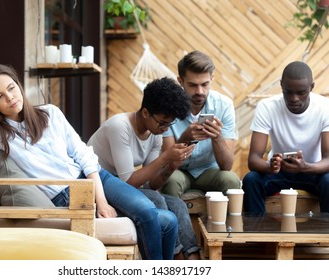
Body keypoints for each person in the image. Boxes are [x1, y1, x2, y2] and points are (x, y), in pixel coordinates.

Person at [0, 62, 179, 260]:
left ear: (19, 85)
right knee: (163, 220)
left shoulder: (50, 113)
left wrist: (102, 202)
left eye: (12, 88)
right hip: (67, 194)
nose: (11, 98)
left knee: (160, 216)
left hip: (96, 179)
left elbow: (84, 155)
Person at [88, 77, 201, 260]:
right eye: (162, 122)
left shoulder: (154, 132)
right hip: (100, 187)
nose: (165, 129)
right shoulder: (120, 127)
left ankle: (191, 256)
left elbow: (149, 185)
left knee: (177, 204)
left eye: (169, 124)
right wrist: (165, 157)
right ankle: (173, 258)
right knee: (157, 200)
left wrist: (170, 167)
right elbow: (128, 182)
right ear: (146, 112)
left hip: (123, 189)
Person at [242, 61, 329, 215]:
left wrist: (305, 167)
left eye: (301, 92)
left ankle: (325, 236)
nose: (294, 98)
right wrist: (271, 166)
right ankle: (257, 234)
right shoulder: (267, 107)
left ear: (312, 87)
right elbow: (253, 159)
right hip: (278, 172)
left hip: (313, 171)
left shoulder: (324, 107)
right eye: (288, 92)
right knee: (251, 180)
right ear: (281, 85)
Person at [161, 50, 241, 198]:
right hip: (180, 171)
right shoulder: (168, 106)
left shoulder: (224, 105)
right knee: (171, 180)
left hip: (209, 171)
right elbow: (167, 163)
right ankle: (177, 222)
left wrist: (217, 138)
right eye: (192, 85)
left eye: (205, 84)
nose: (199, 91)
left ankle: (229, 222)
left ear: (212, 78)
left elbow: (227, 166)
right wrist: (185, 138)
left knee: (231, 180)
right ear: (180, 81)